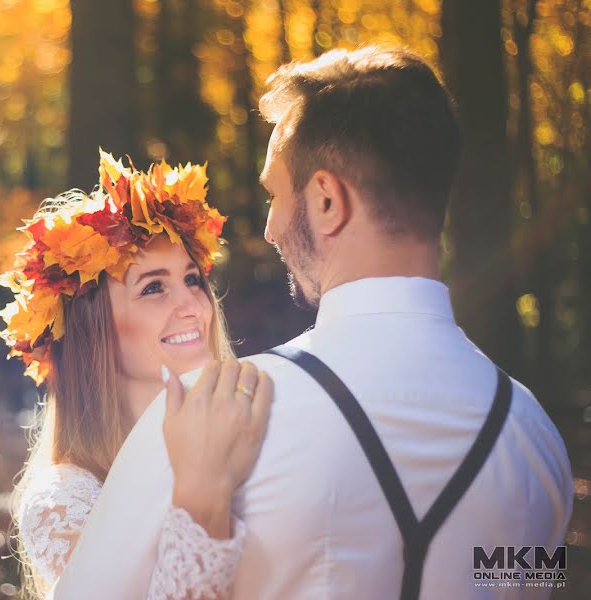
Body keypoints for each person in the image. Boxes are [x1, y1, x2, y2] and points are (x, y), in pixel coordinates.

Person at [52, 46, 574, 599]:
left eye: (276, 194)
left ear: (327, 200)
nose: (271, 228)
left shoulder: (205, 414)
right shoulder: (534, 439)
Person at [0, 150, 274, 599]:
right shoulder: (65, 500)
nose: (193, 306)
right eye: (153, 288)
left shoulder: (251, 427)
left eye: (192, 279)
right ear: (94, 335)